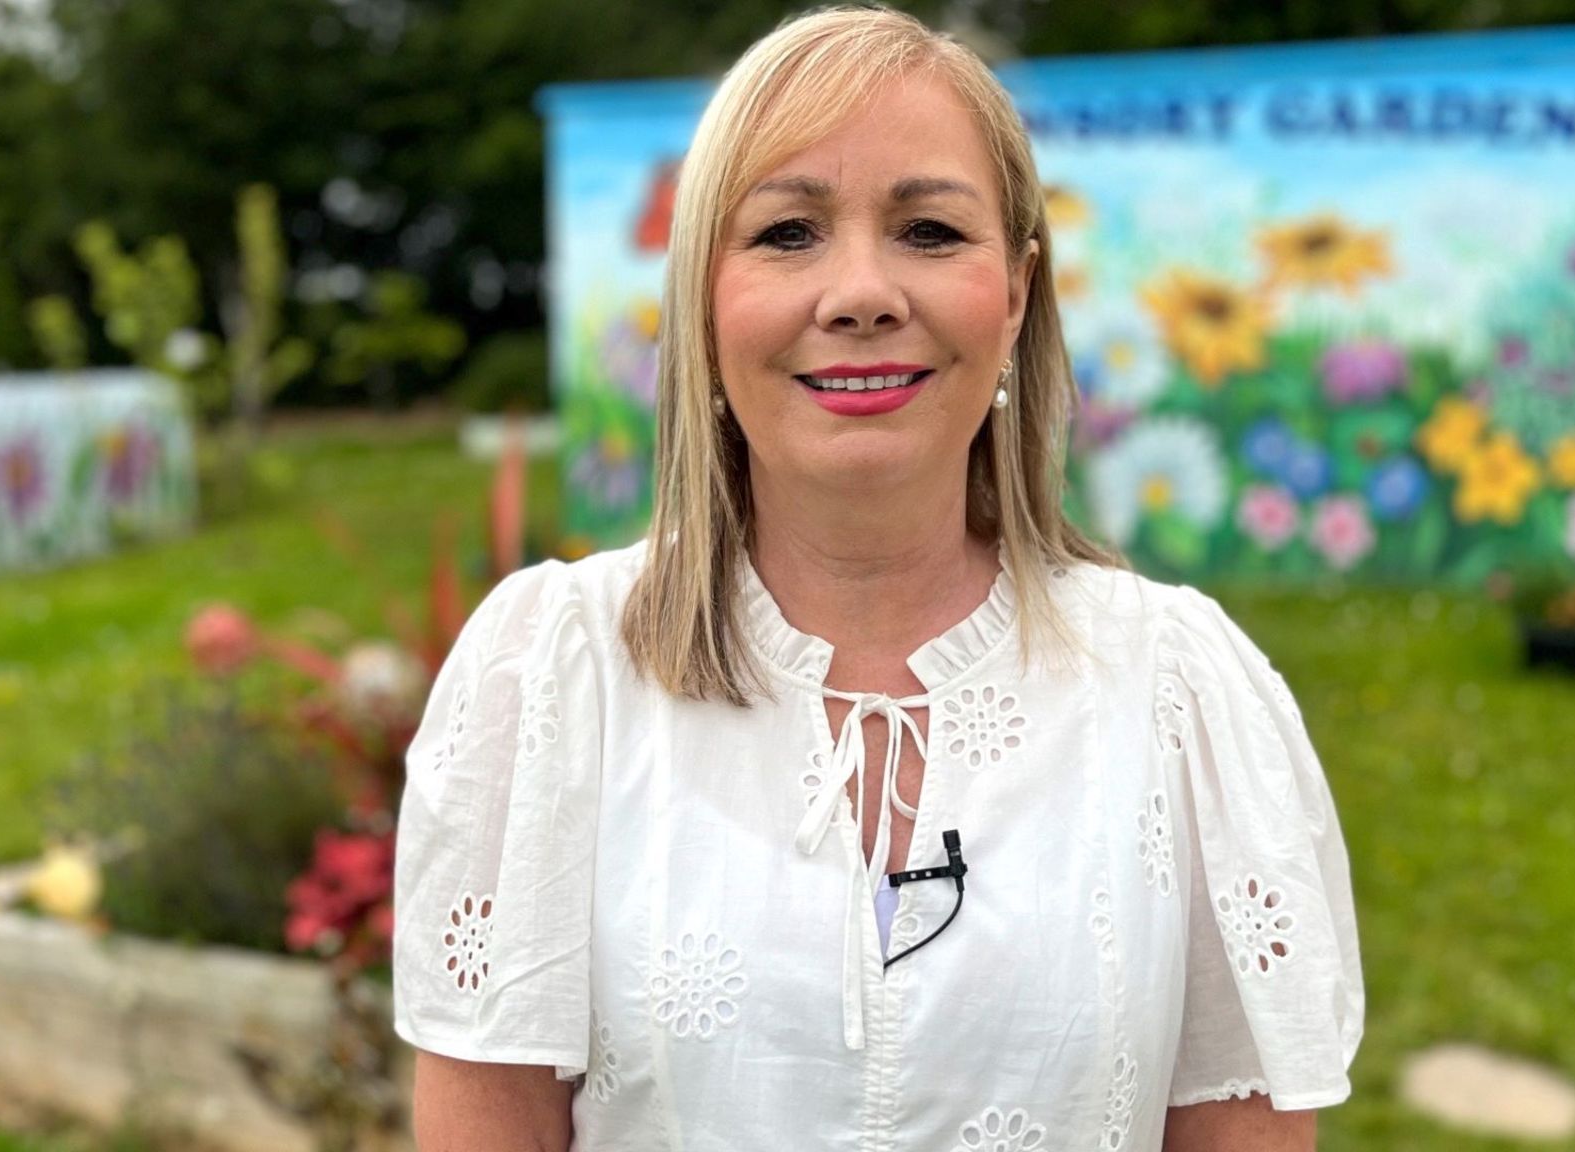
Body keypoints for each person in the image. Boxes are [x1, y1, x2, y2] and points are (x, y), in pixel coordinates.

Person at [393, 7, 1364, 1150]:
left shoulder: (1178, 693)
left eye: (929, 230)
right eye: (789, 233)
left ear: (1013, 295)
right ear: (703, 302)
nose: (859, 292)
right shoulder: (553, 676)